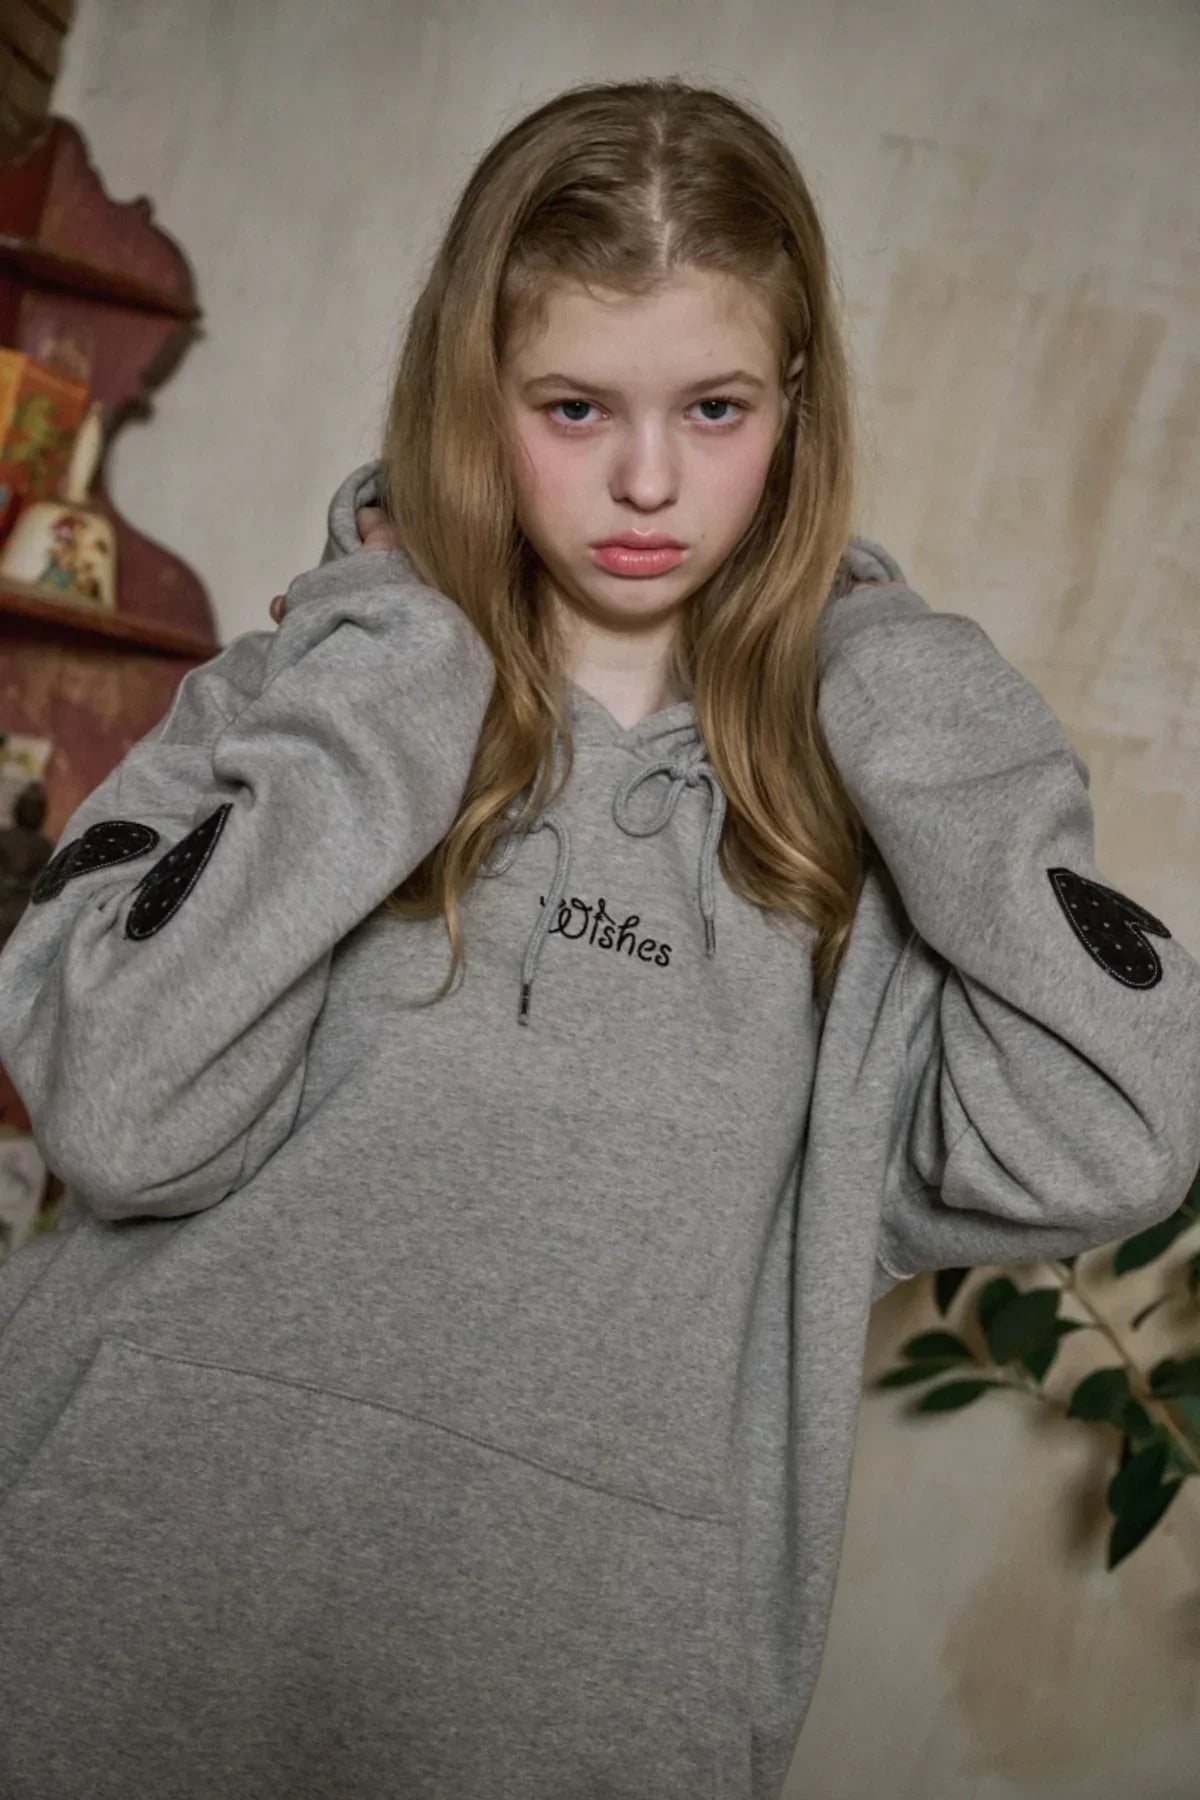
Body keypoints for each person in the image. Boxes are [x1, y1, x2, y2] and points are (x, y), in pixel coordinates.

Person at [0, 75, 1197, 1800]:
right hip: (88, 1639)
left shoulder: (843, 822)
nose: (650, 479)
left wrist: (895, 678)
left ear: (795, 406)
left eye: (716, 408)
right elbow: (116, 1106)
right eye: (574, 406)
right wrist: (407, 657)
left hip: (572, 1721)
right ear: (474, 400)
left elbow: (1121, 1132)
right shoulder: (288, 704)